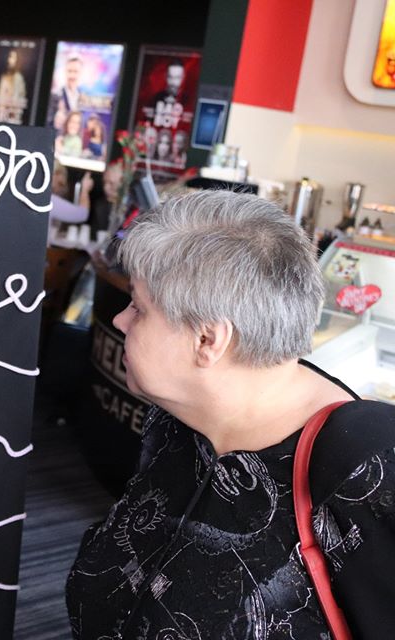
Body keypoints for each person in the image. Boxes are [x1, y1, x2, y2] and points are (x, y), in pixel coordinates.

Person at [66, 190, 395, 639]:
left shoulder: (365, 470)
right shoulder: (181, 417)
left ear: (208, 341)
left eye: (138, 307)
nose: (121, 321)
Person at [47, 56, 85, 134]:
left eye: (75, 71)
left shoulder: (84, 97)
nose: (72, 75)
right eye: (69, 71)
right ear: (65, 72)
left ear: (81, 73)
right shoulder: (55, 96)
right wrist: (56, 121)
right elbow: (47, 123)